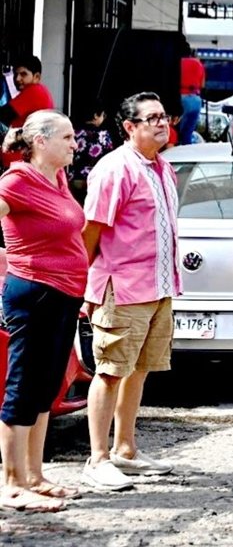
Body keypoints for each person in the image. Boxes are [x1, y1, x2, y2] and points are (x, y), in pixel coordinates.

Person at [80, 92, 181, 492]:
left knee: (139, 370)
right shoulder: (114, 168)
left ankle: (125, 449)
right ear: (129, 127)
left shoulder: (163, 167)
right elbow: (92, 229)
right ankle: (97, 459)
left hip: (158, 286)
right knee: (109, 371)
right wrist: (85, 283)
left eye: (164, 116)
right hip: (121, 288)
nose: (162, 123)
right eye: (152, 118)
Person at [0, 111, 87, 512]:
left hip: (65, 292)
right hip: (35, 291)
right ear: (40, 141)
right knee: (24, 385)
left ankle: (35, 475)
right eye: (67, 138)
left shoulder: (58, 178)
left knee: (47, 385)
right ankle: (12, 482)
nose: (74, 144)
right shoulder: (16, 181)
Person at [0, 56, 55, 171]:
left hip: (22, 161)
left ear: (36, 77)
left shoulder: (34, 91)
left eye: (23, 74)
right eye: (15, 74)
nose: (17, 78)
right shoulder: (41, 90)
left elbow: (4, 115)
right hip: (29, 159)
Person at [69, 100, 115, 204]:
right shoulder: (103, 135)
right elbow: (109, 158)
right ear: (95, 116)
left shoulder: (73, 133)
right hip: (93, 179)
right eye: (103, 115)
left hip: (73, 178)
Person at [179, 40, 205, 146]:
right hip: (195, 99)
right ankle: (186, 149)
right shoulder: (198, 64)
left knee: (175, 130)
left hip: (180, 97)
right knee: (188, 132)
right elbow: (202, 85)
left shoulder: (175, 63)